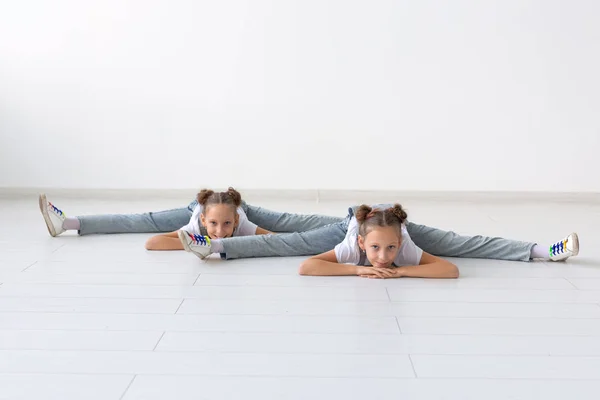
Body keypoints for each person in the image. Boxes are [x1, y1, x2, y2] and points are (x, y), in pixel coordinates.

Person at [295, 204, 579, 279]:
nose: (382, 257)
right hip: (358, 221)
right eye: (374, 250)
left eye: (390, 248)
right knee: (297, 241)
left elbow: (450, 270)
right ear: (360, 244)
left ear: (400, 242)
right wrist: (360, 269)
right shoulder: (351, 248)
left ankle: (543, 250)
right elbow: (307, 267)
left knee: (463, 243)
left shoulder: (405, 247)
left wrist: (400, 270)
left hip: (393, 222)